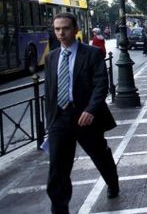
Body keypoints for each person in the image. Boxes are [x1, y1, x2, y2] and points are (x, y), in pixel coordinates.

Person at [44, 12, 119, 214]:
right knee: (57, 170)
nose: (61, 33)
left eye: (66, 28)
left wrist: (91, 110)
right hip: (60, 118)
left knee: (100, 156)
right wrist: (50, 122)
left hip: (86, 117)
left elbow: (101, 84)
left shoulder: (92, 53)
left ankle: (112, 182)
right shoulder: (51, 58)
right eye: (57, 29)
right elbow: (49, 92)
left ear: (76, 30)